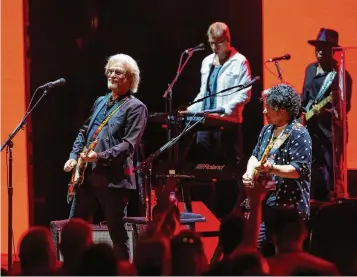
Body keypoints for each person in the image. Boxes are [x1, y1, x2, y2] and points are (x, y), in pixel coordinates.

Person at [63, 53, 148, 260]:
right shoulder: (100, 101)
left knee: (117, 235)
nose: (111, 74)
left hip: (114, 181)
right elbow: (84, 131)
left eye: (117, 72)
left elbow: (128, 145)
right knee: (74, 230)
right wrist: (74, 156)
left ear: (129, 78)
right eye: (109, 70)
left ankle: (123, 271)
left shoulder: (136, 108)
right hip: (87, 177)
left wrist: (99, 156)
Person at [242, 83, 312, 248]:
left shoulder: (299, 133)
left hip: (288, 211)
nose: (264, 111)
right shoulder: (267, 130)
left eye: (268, 107)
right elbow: (254, 155)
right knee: (257, 251)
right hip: (264, 206)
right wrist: (249, 173)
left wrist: (271, 168)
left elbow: (297, 170)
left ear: (282, 109)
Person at [181, 21, 252, 164]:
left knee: (228, 170)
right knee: (203, 167)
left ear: (228, 40)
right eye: (211, 43)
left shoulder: (240, 61)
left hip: (227, 124)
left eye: (218, 43)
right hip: (205, 123)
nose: (214, 47)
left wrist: (222, 111)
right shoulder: (207, 62)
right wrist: (189, 111)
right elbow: (203, 94)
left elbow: (245, 94)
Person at [301, 28, 352, 201]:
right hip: (311, 131)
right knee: (312, 172)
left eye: (324, 48)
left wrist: (325, 112)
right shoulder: (310, 70)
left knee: (332, 175)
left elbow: (345, 109)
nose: (319, 52)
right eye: (317, 47)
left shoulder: (341, 76)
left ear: (334, 51)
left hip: (330, 134)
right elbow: (304, 98)